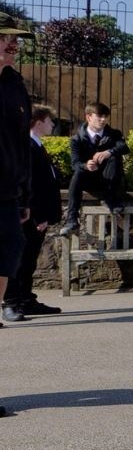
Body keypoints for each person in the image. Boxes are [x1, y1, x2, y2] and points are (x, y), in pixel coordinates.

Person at [4, 105, 63, 321]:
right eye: (50, 121)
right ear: (38, 122)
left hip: (38, 215)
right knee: (19, 261)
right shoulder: (27, 146)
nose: (53, 125)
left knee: (29, 261)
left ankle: (26, 299)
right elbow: (29, 184)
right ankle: (11, 302)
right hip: (31, 216)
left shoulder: (36, 145)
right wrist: (37, 214)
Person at [1, 13, 35, 341]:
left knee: (10, 248)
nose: (14, 44)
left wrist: (25, 194)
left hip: (7, 191)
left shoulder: (15, 84)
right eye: (6, 37)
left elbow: (21, 144)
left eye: (16, 39)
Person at [63, 101, 129, 234]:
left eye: (105, 116)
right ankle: (71, 219)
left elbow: (124, 147)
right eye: (99, 116)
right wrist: (86, 165)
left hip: (109, 180)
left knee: (114, 157)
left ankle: (111, 200)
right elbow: (75, 163)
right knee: (78, 173)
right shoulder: (77, 139)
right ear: (88, 117)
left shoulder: (113, 134)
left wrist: (108, 152)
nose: (103, 120)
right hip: (88, 180)